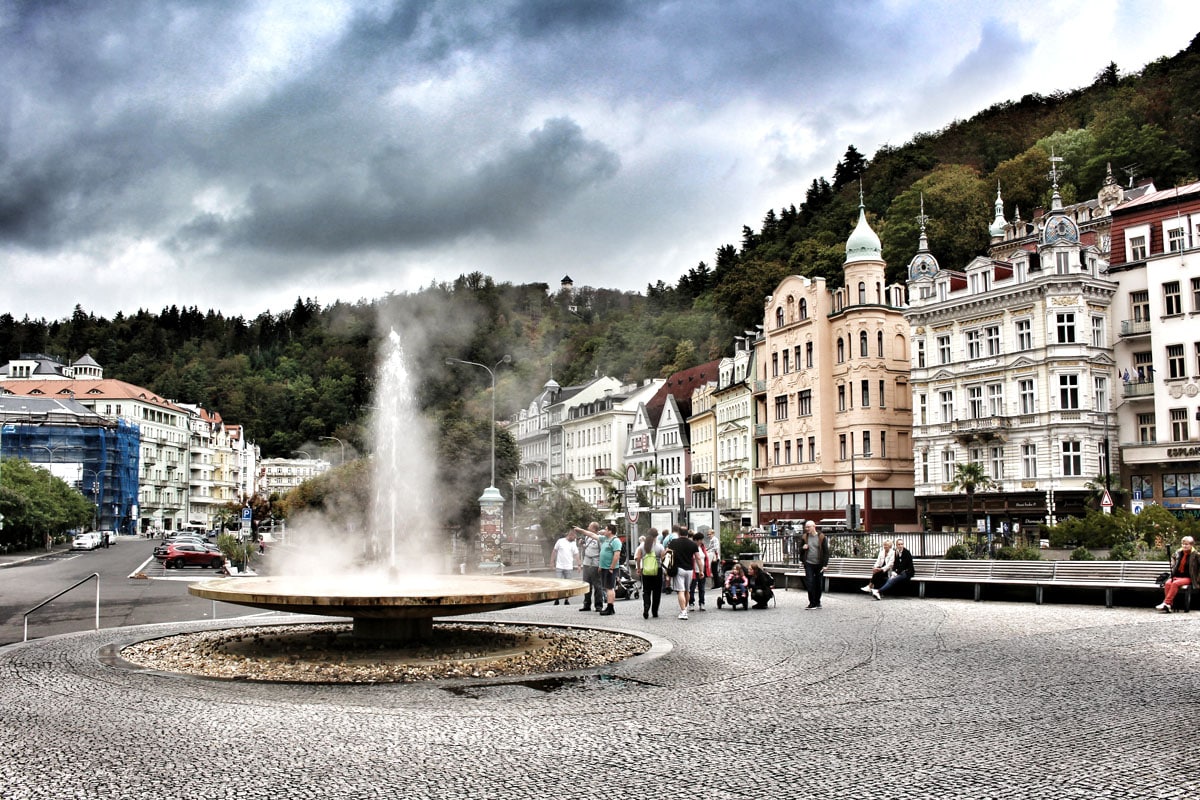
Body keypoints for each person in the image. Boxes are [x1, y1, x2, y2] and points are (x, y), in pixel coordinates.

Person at [1158, 536, 1200, 613]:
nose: (1184, 546)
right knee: (1167, 583)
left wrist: (1198, 578)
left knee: (1175, 583)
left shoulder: (1196, 555)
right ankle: (1169, 605)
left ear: (1191, 545)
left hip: (1189, 577)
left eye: (1187, 544)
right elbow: (1173, 558)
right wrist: (1173, 563)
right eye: (1183, 544)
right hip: (1177, 576)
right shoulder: (1178, 552)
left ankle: (1166, 603)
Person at [666, 529, 701, 620]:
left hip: (679, 569)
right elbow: (698, 558)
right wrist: (701, 571)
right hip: (689, 570)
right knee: (687, 590)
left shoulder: (673, 542)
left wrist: (666, 568)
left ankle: (683, 611)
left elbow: (667, 554)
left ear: (679, 533)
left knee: (680, 591)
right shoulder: (693, 544)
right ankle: (684, 609)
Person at [572, 522, 604, 612]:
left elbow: (602, 552)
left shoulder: (599, 539)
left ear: (594, 529)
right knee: (586, 584)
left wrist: (600, 565)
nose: (587, 527)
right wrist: (582, 544)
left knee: (597, 585)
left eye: (589, 526)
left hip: (595, 563)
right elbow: (586, 547)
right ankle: (586, 604)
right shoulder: (587, 537)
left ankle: (598, 605)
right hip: (586, 562)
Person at [634, 530, 665, 619]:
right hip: (657, 571)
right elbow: (663, 559)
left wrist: (639, 569)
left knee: (646, 591)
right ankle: (654, 611)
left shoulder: (642, 546)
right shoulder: (660, 547)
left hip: (646, 571)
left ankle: (646, 606)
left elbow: (638, 558)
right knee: (657, 592)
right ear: (656, 536)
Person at [799, 519, 830, 609]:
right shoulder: (805, 537)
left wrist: (825, 564)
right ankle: (812, 602)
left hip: (819, 564)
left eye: (808, 527)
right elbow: (799, 550)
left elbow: (826, 552)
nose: (807, 528)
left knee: (818, 583)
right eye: (806, 527)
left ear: (814, 527)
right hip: (808, 563)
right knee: (810, 582)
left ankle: (818, 601)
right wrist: (803, 548)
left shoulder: (821, 537)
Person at [550, 529, 579, 605]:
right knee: (558, 583)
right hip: (559, 566)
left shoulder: (573, 543)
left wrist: (579, 564)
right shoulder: (560, 541)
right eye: (574, 537)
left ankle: (566, 599)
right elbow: (554, 551)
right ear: (570, 535)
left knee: (568, 584)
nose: (574, 539)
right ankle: (556, 599)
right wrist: (552, 561)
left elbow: (576, 554)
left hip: (568, 567)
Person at [689, 532, 709, 611]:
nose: (701, 541)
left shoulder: (702, 547)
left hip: (702, 570)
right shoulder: (692, 547)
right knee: (692, 588)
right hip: (694, 571)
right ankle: (691, 603)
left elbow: (705, 558)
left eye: (701, 540)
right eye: (700, 540)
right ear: (696, 540)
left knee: (702, 588)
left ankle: (702, 603)